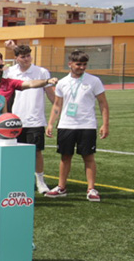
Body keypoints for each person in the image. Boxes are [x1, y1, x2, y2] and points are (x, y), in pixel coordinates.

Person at [46, 50, 109, 201]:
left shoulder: (94, 81)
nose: (82, 67)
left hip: (87, 125)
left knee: (88, 157)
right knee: (65, 156)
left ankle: (91, 189)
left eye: (84, 64)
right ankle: (61, 187)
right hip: (66, 125)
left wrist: (105, 124)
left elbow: (103, 103)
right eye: (78, 64)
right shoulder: (62, 82)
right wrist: (50, 123)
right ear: (70, 64)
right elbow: (57, 104)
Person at [5, 43, 56, 194]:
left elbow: (51, 94)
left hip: (35, 119)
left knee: (36, 152)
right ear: (16, 58)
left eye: (28, 56)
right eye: (23, 56)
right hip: (14, 119)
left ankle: (40, 181)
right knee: (15, 153)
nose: (26, 59)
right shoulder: (9, 72)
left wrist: (59, 109)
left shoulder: (42, 72)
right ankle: (18, 180)